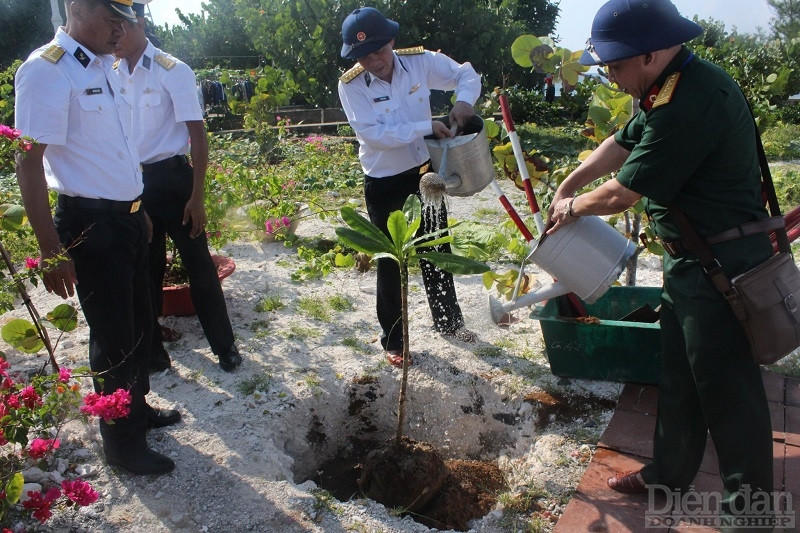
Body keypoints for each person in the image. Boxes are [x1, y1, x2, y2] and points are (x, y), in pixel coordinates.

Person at [547, 0, 775, 526]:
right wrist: (568, 183)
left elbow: (621, 195)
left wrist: (572, 207)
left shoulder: (692, 101)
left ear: (649, 54)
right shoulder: (667, 84)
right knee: (680, 377)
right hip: (691, 264)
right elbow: (620, 143)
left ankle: (751, 511)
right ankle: (669, 472)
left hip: (722, 267)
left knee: (728, 392)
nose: (609, 76)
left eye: (614, 66)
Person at [15, 0, 180, 475]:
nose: (120, 31)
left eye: (126, 21)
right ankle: (123, 446)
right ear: (78, 7)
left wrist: (139, 207)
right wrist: (50, 249)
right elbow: (28, 162)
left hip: (126, 217)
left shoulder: (105, 66)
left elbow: (118, 149)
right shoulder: (47, 71)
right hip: (90, 224)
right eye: (113, 19)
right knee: (114, 338)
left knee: (140, 322)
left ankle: (137, 409)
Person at [337, 7, 480, 368]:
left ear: (392, 42)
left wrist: (464, 101)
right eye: (364, 56)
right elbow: (373, 135)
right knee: (391, 261)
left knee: (436, 246)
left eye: (379, 51)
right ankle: (394, 340)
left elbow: (465, 73)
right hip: (384, 181)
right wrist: (425, 126)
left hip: (423, 174)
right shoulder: (350, 85)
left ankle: (449, 321)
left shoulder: (420, 63)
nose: (374, 61)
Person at [113, 0, 242, 373]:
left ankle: (225, 347)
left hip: (174, 180)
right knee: (146, 267)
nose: (113, 36)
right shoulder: (111, 72)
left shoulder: (173, 70)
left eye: (119, 26)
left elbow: (198, 136)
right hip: (135, 183)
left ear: (138, 22)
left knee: (199, 265)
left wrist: (197, 196)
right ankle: (153, 350)